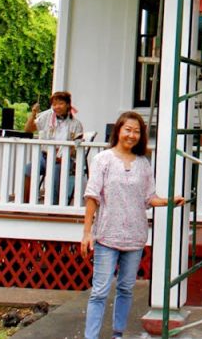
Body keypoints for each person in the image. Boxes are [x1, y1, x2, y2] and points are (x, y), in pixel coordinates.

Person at [81, 111, 185, 339]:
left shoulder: (143, 163)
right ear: (118, 130)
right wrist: (87, 232)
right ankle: (91, 336)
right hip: (107, 235)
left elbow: (150, 198)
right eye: (128, 129)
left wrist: (170, 201)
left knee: (126, 289)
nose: (132, 135)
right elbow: (92, 196)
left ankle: (118, 334)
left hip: (135, 236)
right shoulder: (103, 159)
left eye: (137, 131)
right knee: (99, 292)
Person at [23, 91, 83, 203]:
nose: (57, 107)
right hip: (44, 157)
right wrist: (33, 113)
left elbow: (76, 146)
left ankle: (54, 206)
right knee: (28, 169)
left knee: (56, 171)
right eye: (54, 104)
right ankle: (25, 203)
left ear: (68, 105)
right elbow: (28, 130)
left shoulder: (76, 124)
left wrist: (62, 157)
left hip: (62, 160)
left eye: (60, 103)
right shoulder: (47, 117)